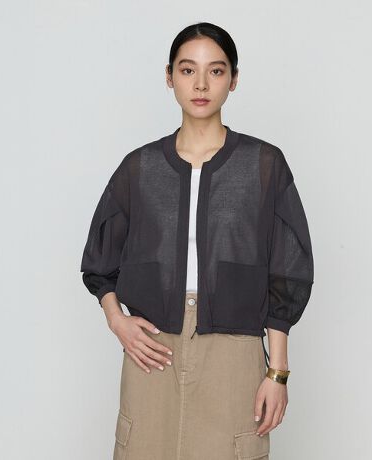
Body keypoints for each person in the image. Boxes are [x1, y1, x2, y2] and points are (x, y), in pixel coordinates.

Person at [80, 21, 314, 460]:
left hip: (234, 353)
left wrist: (278, 372)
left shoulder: (264, 165)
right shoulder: (139, 168)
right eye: (188, 70)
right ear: (169, 77)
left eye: (216, 71)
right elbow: (99, 263)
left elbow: (287, 270)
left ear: (234, 79)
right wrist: (117, 320)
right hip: (153, 353)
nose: (201, 84)